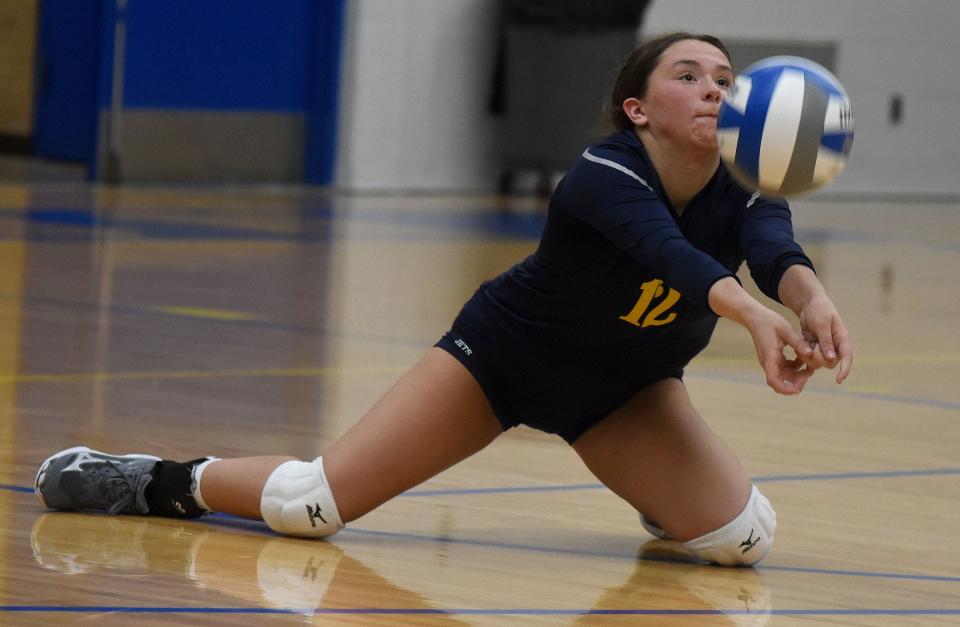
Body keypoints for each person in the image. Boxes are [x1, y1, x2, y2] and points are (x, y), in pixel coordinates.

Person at [35, 32, 852, 567]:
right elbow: (665, 254)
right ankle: (154, 476)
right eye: (689, 75)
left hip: (626, 392)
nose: (716, 88)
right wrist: (750, 313)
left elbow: (775, 248)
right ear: (639, 110)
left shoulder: (745, 186)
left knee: (745, 536)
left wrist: (809, 300)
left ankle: (655, 489)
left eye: (725, 77)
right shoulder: (603, 174)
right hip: (501, 361)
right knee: (308, 505)